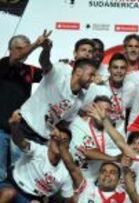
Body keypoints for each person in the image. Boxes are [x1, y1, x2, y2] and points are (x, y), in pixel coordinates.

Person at [13, 57, 97, 142]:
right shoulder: (59, 73)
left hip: (43, 139)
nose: (93, 79)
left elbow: (64, 122)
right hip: (24, 127)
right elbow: (45, 63)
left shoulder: (79, 100)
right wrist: (46, 49)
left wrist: (58, 132)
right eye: (91, 74)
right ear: (79, 71)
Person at [0, 31, 47, 181]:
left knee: (17, 176)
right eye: (20, 48)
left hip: (18, 133)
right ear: (11, 50)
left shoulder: (30, 70)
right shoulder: (3, 63)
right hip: (0, 131)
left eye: (25, 48)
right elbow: (16, 58)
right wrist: (35, 45)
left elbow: (49, 72)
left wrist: (47, 50)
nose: (24, 52)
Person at [0, 124, 73, 203]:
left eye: (64, 141)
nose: (59, 143)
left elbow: (67, 198)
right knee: (8, 193)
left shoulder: (66, 172)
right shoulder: (38, 150)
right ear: (49, 141)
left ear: (68, 148)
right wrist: (14, 124)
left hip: (30, 199)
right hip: (12, 184)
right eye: (57, 139)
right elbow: (20, 142)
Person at [69, 96, 122, 182]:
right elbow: (88, 152)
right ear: (92, 109)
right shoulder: (78, 125)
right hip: (72, 176)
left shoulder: (110, 132)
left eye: (108, 111)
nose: (103, 113)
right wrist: (114, 158)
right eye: (100, 109)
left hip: (92, 181)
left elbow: (121, 148)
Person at [83, 53, 128, 135]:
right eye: (115, 67)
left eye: (122, 68)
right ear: (109, 69)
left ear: (126, 71)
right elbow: (82, 111)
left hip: (119, 138)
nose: (119, 71)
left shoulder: (131, 89)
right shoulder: (97, 86)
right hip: (96, 136)